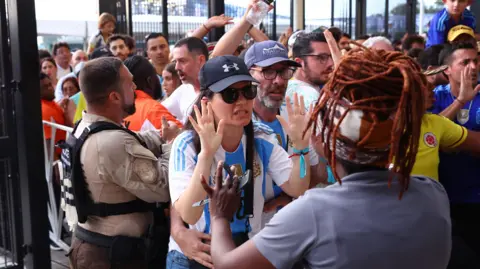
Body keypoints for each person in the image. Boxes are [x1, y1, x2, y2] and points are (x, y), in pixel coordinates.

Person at [203, 47, 451, 269]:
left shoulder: (313, 212)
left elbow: (228, 265)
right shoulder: (433, 194)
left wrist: (219, 216)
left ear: (326, 142)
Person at [167, 55, 311, 269]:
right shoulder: (186, 144)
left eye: (248, 91)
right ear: (206, 101)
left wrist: (300, 147)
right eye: (230, 94)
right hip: (197, 255)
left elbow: (297, 187)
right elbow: (190, 212)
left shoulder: (262, 137)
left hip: (245, 249)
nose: (242, 101)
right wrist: (206, 154)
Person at [64, 57, 171, 269]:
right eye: (130, 83)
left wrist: (160, 136)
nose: (135, 87)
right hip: (111, 256)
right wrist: (171, 144)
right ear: (114, 96)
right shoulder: (112, 142)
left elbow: (134, 138)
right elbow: (164, 187)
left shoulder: (84, 127)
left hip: (96, 246)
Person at [429, 42, 480, 268]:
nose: (473, 67)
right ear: (446, 69)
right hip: (440, 199)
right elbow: (428, 134)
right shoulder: (432, 97)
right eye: (465, 62)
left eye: (476, 61)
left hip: (476, 198)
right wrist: (461, 101)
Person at [123, 55, 182, 132]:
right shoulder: (152, 110)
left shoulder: (117, 108)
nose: (162, 84)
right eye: (157, 77)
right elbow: (185, 138)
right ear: (150, 81)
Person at [162, 37, 208, 124]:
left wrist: (178, 132)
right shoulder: (185, 89)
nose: (176, 67)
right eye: (175, 62)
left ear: (201, 60)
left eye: (182, 61)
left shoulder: (217, 92)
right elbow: (159, 111)